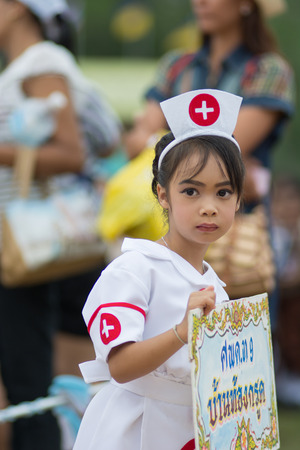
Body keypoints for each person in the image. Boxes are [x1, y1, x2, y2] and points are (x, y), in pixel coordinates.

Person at [74, 88, 245, 449]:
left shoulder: (217, 286)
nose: (209, 207)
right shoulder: (133, 269)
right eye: (191, 191)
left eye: (224, 192)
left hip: (191, 432)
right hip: (132, 430)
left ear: (239, 199)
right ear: (163, 194)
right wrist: (181, 332)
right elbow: (120, 367)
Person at [123, 0, 295, 326]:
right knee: (165, 340)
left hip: (236, 239)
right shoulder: (176, 65)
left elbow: (223, 156)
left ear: (247, 4)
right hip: (166, 229)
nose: (200, 1)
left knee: (239, 348)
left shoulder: (268, 71)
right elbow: (133, 142)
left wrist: (158, 141)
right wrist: (152, 140)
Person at [0, 1, 120, 449]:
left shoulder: (42, 62)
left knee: (29, 383)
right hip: (30, 246)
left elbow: (70, 153)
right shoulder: (28, 66)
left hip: (36, 249)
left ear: (18, 9)